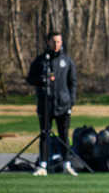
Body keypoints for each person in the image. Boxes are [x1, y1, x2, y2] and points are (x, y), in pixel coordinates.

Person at [26, 31, 77, 176]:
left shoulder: (67, 61)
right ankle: (42, 165)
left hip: (63, 105)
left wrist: (71, 102)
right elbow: (30, 78)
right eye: (53, 41)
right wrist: (41, 80)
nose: (56, 44)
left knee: (64, 135)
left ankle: (67, 164)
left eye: (58, 41)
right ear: (48, 42)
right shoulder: (41, 60)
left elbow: (73, 83)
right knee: (44, 134)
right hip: (45, 105)